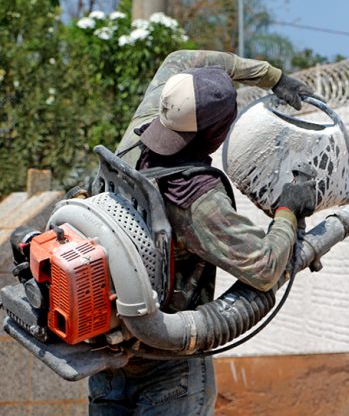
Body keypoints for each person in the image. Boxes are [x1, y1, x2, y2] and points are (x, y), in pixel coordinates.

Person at [88, 50, 318, 415]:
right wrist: (288, 211)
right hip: (170, 369)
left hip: (106, 362)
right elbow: (264, 268)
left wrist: (271, 76)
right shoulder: (195, 199)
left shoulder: (139, 134)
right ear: (218, 134)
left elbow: (182, 58)